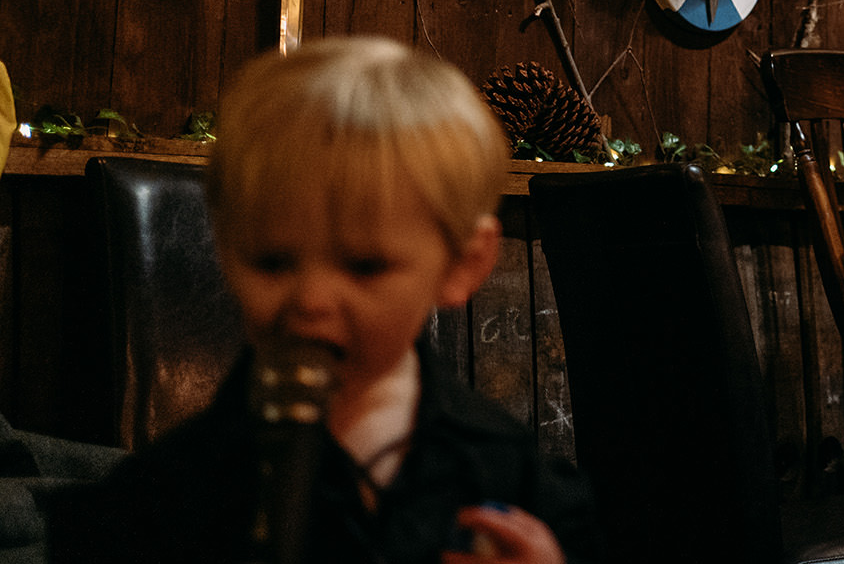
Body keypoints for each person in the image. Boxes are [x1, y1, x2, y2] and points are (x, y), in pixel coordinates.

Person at [47, 37, 599, 563]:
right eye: (272, 261)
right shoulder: (164, 496)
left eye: (364, 266)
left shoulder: (512, 476)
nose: (310, 300)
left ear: (461, 267)